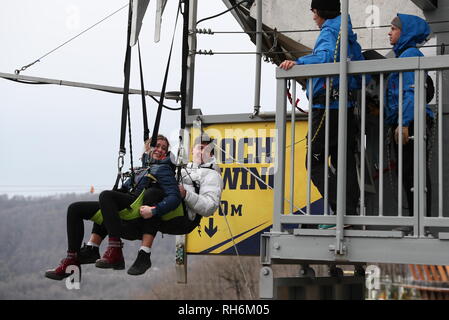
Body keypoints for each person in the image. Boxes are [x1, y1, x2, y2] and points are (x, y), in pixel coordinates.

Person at [45, 134, 181, 280]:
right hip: (129, 202)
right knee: (75, 209)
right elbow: (124, 189)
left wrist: (155, 210)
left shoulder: (164, 170)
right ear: (148, 147)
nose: (160, 149)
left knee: (106, 196)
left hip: (136, 207)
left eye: (164, 148)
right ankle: (72, 260)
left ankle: (115, 250)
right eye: (157, 145)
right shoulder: (141, 169)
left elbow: (174, 197)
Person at [279, 0, 365, 222]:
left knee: (314, 162)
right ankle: (350, 213)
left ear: (319, 11)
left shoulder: (330, 31)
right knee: (341, 161)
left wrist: (297, 62)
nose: (313, 18)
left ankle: (340, 212)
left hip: (326, 106)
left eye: (313, 12)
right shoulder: (346, 32)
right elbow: (357, 65)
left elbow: (325, 57)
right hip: (344, 106)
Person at [126, 134, 223, 275]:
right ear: (192, 151)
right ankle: (113, 241)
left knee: (154, 194)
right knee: (142, 193)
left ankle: (144, 253)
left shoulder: (211, 175)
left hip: (184, 219)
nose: (202, 152)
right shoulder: (181, 169)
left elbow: (209, 207)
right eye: (199, 148)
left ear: (212, 155)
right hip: (168, 212)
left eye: (207, 150)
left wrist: (187, 194)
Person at [386, 14, 434, 217]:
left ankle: (419, 222)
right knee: (411, 173)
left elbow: (411, 91)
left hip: (411, 121)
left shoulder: (409, 55)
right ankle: (418, 220)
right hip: (408, 119)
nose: (389, 32)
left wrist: (404, 123)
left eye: (394, 29)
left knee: (413, 173)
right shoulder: (406, 55)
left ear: (405, 33)